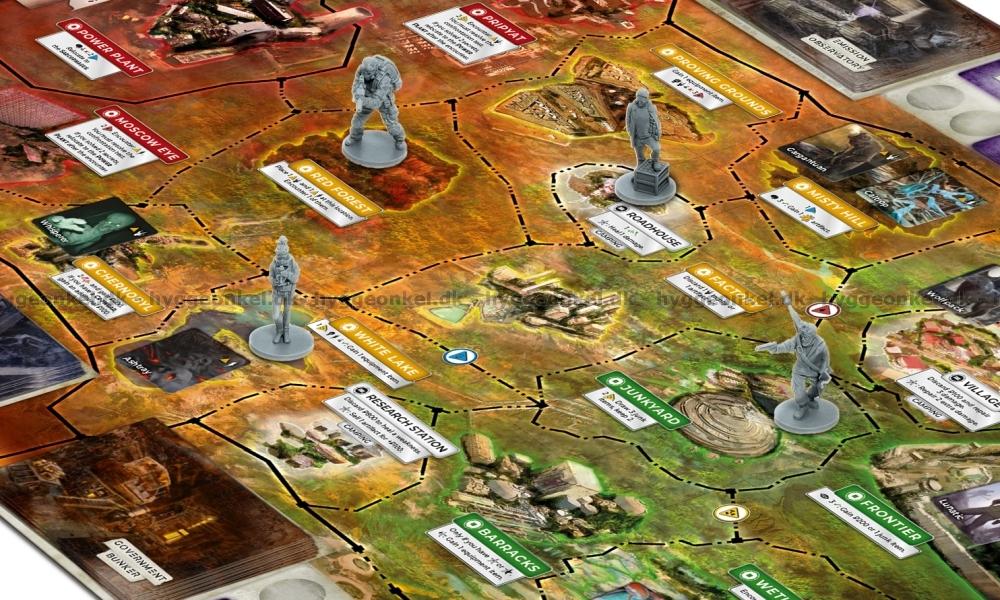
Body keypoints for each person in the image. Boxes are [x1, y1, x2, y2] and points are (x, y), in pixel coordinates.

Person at [755, 291, 832, 420]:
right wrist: (769, 347)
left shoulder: (820, 344)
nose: (802, 329)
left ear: (811, 335)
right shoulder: (797, 339)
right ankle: (803, 405)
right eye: (802, 329)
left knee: (817, 388)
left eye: (805, 329)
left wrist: (823, 371)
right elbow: (781, 347)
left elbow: (825, 359)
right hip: (800, 369)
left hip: (815, 370)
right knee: (797, 388)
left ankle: (811, 398)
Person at [345, 55, 405, 151]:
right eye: (365, 72)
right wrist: (356, 94)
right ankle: (355, 137)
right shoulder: (362, 69)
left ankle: (400, 140)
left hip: (384, 99)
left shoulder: (385, 79)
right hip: (367, 95)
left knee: (392, 124)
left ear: (375, 70)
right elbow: (356, 84)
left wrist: (361, 100)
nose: (365, 75)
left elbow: (376, 103)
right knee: (356, 122)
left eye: (368, 73)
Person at [268, 236, 300, 345]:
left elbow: (295, 279)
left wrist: (285, 273)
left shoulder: (293, 264)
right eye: (279, 256)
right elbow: (270, 276)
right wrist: (274, 282)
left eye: (283, 256)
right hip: (277, 292)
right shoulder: (274, 263)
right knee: (276, 315)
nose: (281, 259)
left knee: (287, 312)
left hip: (289, 291)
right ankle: (279, 330)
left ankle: (286, 332)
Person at [624, 88, 662, 171]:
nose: (640, 103)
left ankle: (655, 161)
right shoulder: (631, 107)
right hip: (637, 136)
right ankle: (641, 162)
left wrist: (657, 132)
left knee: (656, 148)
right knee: (639, 152)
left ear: (646, 99)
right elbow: (628, 120)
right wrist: (630, 132)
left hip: (649, 136)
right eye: (639, 100)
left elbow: (657, 121)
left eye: (642, 101)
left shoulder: (652, 107)